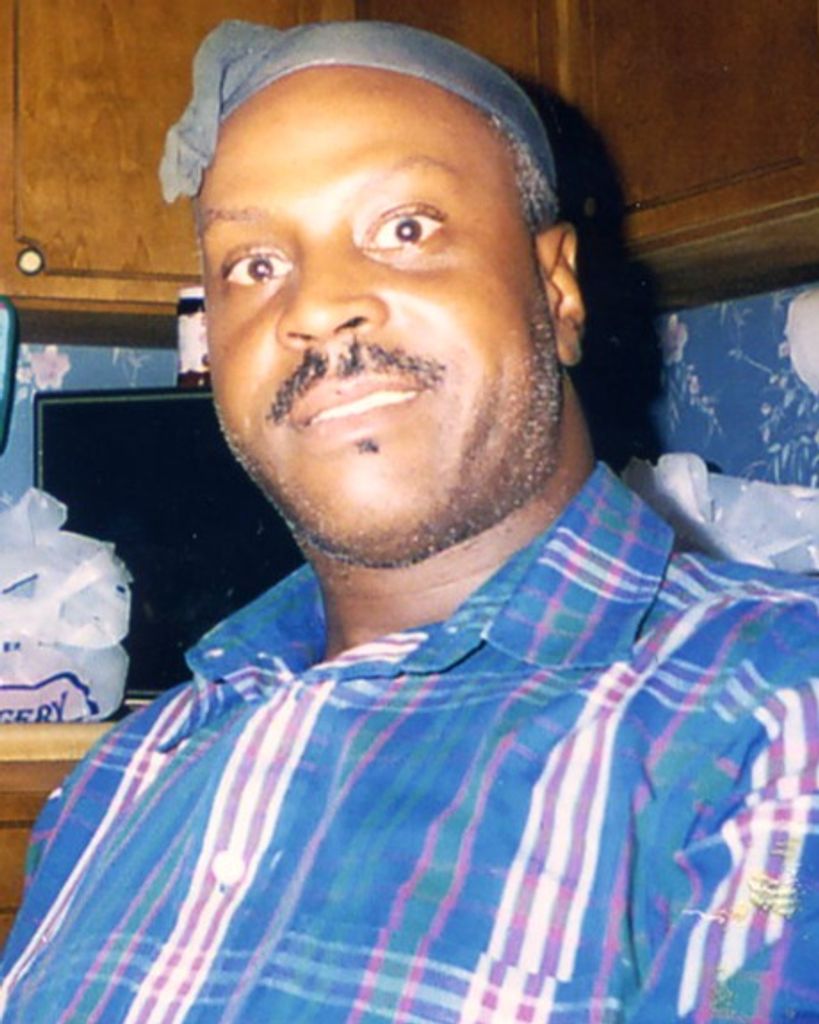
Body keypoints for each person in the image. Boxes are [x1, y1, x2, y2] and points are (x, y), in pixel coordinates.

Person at [1, 19, 818, 1024]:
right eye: (253, 264)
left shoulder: (778, 708)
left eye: (404, 228)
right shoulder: (128, 769)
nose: (315, 307)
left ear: (556, 289)